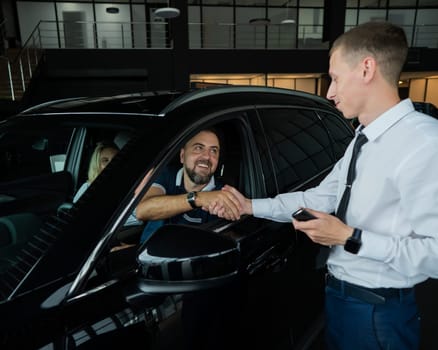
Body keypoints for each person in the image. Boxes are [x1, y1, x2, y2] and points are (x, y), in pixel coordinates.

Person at [211, 21, 438, 350]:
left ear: (366, 68)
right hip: (341, 299)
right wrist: (249, 206)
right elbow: (321, 196)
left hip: (377, 312)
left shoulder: (423, 142)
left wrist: (349, 238)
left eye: (334, 78)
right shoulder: (362, 137)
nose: (329, 92)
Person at [135, 127, 240, 243]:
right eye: (198, 148)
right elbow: (142, 211)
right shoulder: (166, 174)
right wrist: (198, 198)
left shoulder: (223, 193)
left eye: (213, 150)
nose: (207, 156)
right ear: (182, 156)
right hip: (143, 252)